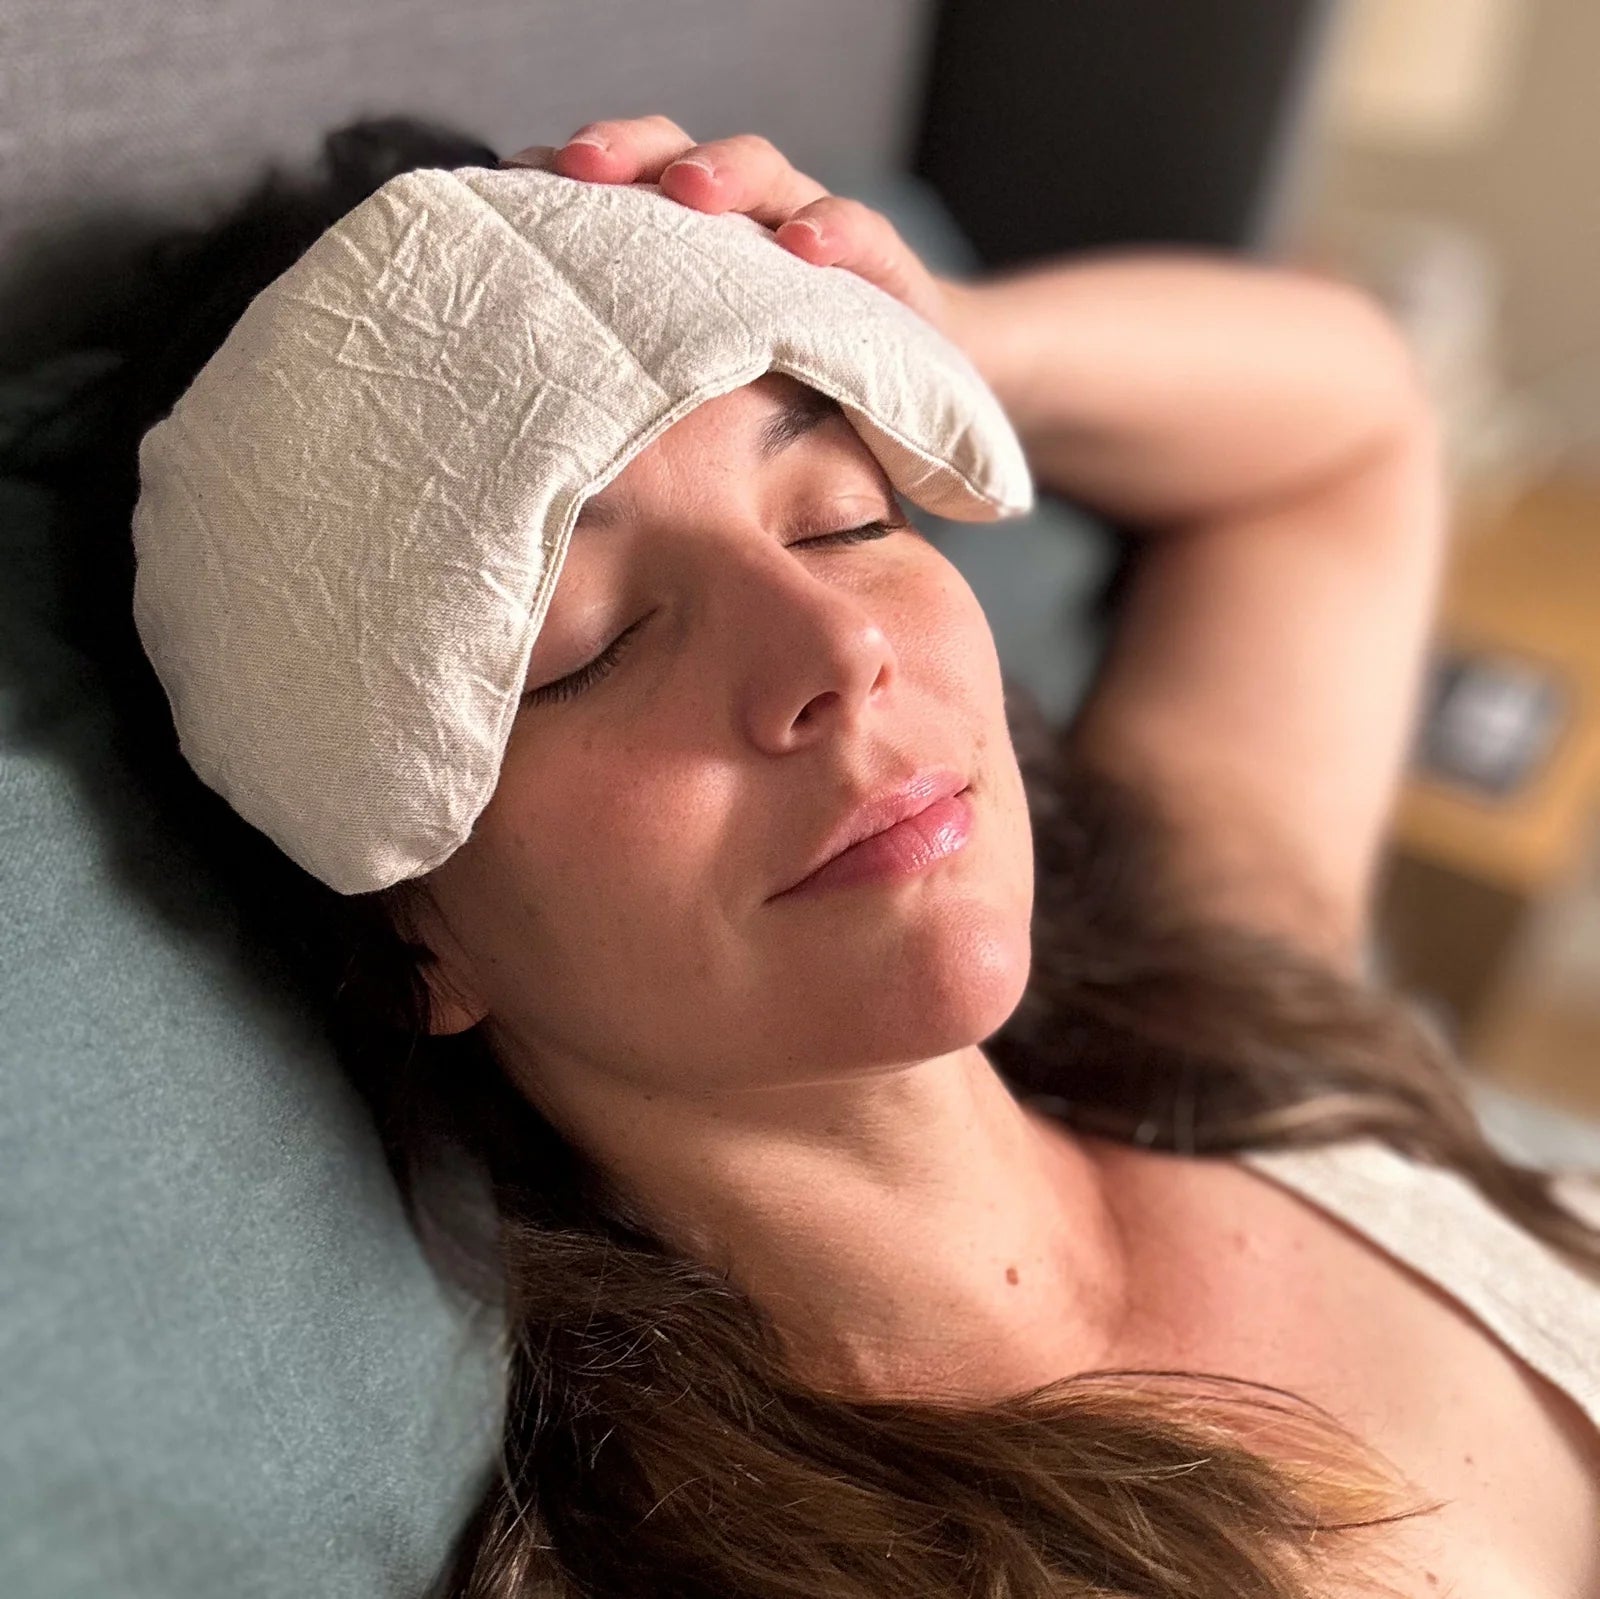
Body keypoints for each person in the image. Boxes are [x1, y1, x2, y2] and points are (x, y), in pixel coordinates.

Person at [19, 112, 1600, 1598]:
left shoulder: (1241, 1040)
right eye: (588, 646)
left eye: (840, 513)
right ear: (422, 935)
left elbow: (1350, 427)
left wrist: (939, 335)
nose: (837, 643)